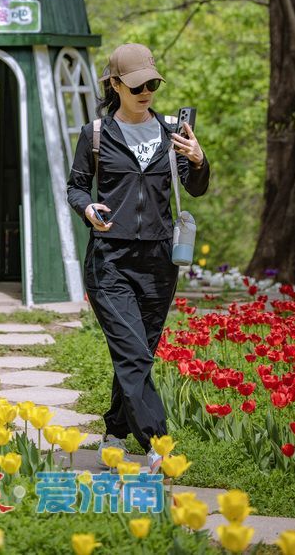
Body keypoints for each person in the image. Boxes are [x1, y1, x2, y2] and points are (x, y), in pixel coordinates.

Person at [67, 43, 210, 473]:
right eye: (136, 86)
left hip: (159, 261)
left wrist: (199, 160)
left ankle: (113, 431)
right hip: (110, 259)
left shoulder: (172, 132)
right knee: (132, 352)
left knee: (140, 350)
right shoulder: (95, 134)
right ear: (114, 85)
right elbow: (76, 187)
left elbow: (196, 187)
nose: (146, 91)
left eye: (151, 84)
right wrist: (87, 209)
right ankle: (157, 444)